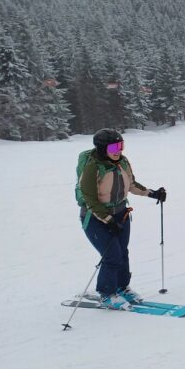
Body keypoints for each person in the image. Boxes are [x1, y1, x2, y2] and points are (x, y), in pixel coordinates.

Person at [78, 129, 166, 309]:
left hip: (121, 214)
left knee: (123, 252)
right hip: (95, 217)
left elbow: (131, 184)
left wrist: (153, 193)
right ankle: (106, 293)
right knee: (111, 255)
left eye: (121, 145)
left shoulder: (122, 162)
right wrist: (108, 220)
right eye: (113, 147)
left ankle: (122, 287)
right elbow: (90, 199)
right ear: (103, 148)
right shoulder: (92, 168)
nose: (118, 150)